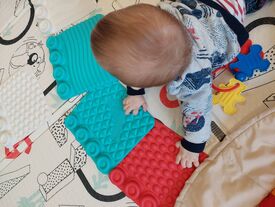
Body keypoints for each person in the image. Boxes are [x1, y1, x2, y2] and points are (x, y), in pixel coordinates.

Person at [91, 0, 268, 168]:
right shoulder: (165, 17)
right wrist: (135, 92)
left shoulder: (193, 78)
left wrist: (193, 145)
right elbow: (137, 58)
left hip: (231, 20)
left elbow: (199, 111)